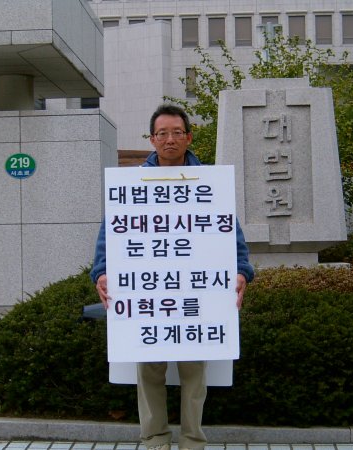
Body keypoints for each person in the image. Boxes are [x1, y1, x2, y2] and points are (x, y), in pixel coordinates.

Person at [90, 104, 254, 450]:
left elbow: (230, 234)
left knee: (195, 371)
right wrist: (102, 273)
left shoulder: (209, 183)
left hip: (196, 297)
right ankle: (155, 439)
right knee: (148, 370)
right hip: (148, 297)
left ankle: (192, 440)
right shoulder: (133, 184)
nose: (169, 139)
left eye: (177, 133)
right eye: (162, 133)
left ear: (188, 137)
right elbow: (112, 233)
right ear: (152, 139)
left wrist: (241, 271)